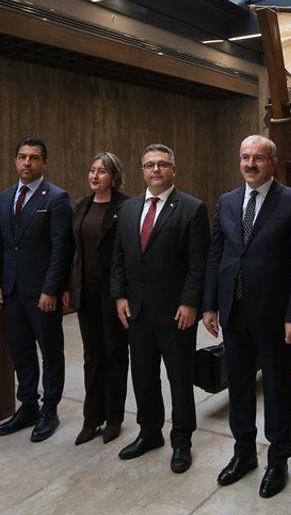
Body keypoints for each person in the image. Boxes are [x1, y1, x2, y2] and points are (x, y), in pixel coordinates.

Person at [203, 135, 291, 498]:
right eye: (245, 157)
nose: (250, 164)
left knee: (278, 389)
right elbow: (216, 254)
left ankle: (278, 460)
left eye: (258, 158)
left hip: (275, 317)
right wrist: (209, 304)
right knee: (238, 385)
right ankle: (244, 453)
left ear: (273, 162)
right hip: (234, 313)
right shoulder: (227, 201)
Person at [110, 144, 209, 474]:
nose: (156, 169)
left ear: (173, 170)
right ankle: (150, 432)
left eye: (163, 164)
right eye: (150, 164)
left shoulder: (192, 209)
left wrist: (190, 302)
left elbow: (198, 263)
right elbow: (119, 258)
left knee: (179, 379)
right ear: (142, 170)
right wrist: (119, 296)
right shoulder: (128, 209)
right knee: (143, 376)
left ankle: (182, 441)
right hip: (136, 312)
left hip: (176, 313)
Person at [0, 137, 74, 442]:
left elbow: (62, 249)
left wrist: (52, 289)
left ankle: (49, 410)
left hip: (42, 294)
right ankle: (28, 406)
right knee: (20, 350)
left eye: (34, 157)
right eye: (22, 157)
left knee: (50, 352)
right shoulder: (5, 197)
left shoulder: (57, 198)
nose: (27, 162)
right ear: (15, 161)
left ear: (44, 164)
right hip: (11, 290)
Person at [66, 152, 129, 446]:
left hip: (113, 293)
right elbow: (73, 250)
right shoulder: (81, 205)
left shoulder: (126, 207)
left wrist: (123, 292)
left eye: (101, 171)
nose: (94, 176)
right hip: (86, 293)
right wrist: (67, 286)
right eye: (92, 170)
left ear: (114, 177)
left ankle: (114, 418)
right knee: (92, 356)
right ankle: (91, 419)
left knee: (114, 354)